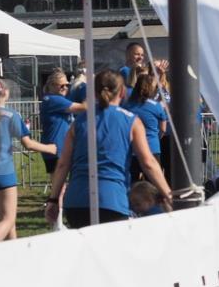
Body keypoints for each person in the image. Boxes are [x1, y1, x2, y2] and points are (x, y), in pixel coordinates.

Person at [46, 69, 172, 229]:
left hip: (76, 202)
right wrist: (168, 194)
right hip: (111, 201)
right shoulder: (131, 121)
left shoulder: (78, 122)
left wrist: (53, 199)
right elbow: (148, 163)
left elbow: (63, 164)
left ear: (94, 92)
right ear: (122, 92)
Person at [0, 80, 57, 243]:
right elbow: (28, 144)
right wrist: (50, 148)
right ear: (5, 93)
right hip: (3, 174)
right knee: (8, 219)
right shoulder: (11, 115)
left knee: (7, 219)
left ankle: (14, 254)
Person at [124, 66, 168, 182]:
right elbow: (163, 128)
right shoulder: (156, 106)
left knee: (132, 182)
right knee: (153, 183)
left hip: (132, 150)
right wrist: (156, 137)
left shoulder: (127, 105)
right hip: (152, 148)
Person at [40, 69, 86, 175]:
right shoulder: (52, 99)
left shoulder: (59, 99)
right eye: (61, 85)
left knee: (67, 185)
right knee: (61, 188)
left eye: (67, 85)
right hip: (56, 149)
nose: (65, 88)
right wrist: (83, 86)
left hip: (61, 148)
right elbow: (84, 107)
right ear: (51, 85)